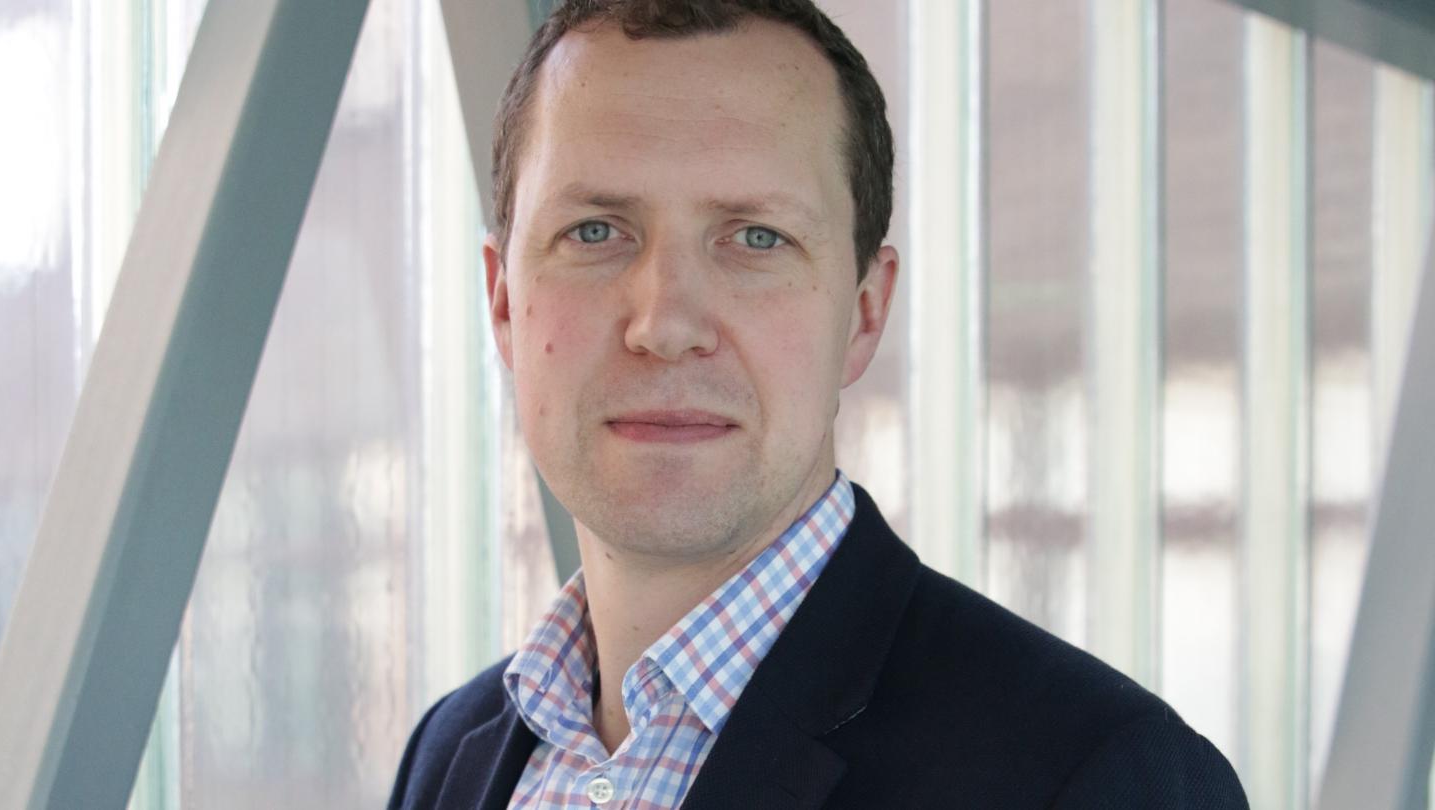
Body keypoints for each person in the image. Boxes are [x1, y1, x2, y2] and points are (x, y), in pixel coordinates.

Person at [388, 0, 1248, 807]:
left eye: (756, 237)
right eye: (595, 232)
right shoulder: (451, 754)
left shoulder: (1095, 775)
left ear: (864, 313)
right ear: (504, 302)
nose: (665, 323)